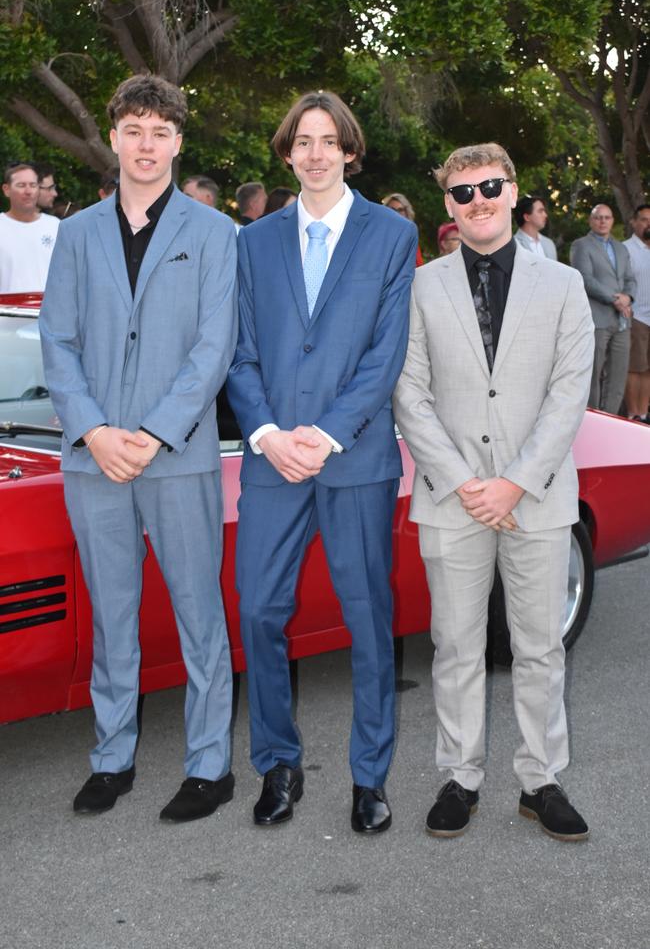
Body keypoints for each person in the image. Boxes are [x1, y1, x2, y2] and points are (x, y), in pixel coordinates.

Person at [39, 74, 238, 824]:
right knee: (112, 613)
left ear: (178, 142)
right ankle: (112, 756)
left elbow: (214, 349)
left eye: (161, 131)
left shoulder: (217, 234)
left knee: (198, 613)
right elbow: (57, 341)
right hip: (95, 460)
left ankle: (209, 764)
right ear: (113, 137)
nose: (146, 144)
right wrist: (94, 430)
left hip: (177, 456)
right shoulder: (77, 233)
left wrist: (153, 433)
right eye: (133, 129)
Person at [227, 91, 417, 834]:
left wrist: (329, 433)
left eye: (326, 140)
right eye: (300, 141)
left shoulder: (390, 236)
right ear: (286, 153)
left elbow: (386, 352)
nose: (313, 153)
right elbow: (238, 352)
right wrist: (271, 433)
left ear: (348, 150)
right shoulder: (252, 242)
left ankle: (369, 778)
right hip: (273, 459)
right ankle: (277, 762)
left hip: (356, 457)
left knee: (368, 617)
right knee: (259, 610)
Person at [393, 142, 594, 842]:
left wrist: (513, 483)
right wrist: (466, 484)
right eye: (461, 192)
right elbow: (409, 394)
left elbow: (570, 395)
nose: (476, 200)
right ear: (447, 207)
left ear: (512, 191)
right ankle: (461, 776)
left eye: (488, 186)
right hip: (453, 499)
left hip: (536, 496)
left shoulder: (564, 285)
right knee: (454, 645)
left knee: (540, 648)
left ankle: (541, 780)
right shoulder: (422, 286)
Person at [570, 204, 636, 414]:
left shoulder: (621, 248)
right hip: (596, 319)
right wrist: (614, 299)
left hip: (622, 321)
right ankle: (592, 418)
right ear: (591, 221)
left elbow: (630, 279)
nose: (603, 221)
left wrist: (627, 297)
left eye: (607, 218)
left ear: (612, 221)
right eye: (598, 217)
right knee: (593, 373)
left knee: (618, 375)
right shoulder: (581, 245)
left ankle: (612, 419)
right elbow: (585, 279)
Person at [0, 163, 59, 293]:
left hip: (48, 310)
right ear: (6, 190)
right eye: (21, 185)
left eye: (33, 185)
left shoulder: (56, 226)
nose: (28, 191)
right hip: (6, 311)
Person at [623, 204, 650, 422]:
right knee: (634, 368)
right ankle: (633, 414)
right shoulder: (626, 249)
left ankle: (643, 413)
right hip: (637, 317)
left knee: (648, 369)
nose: (648, 224)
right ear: (634, 222)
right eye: (644, 219)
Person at [382, 192, 424, 266]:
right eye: (392, 209)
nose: (396, 213)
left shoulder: (411, 238)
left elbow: (419, 268)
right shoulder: (378, 237)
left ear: (406, 213)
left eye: (400, 210)